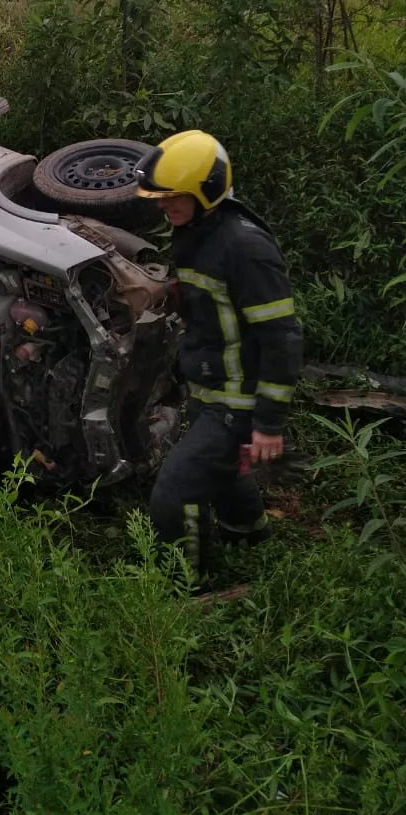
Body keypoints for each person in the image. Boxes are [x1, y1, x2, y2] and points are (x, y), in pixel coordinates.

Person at [134, 130, 303, 588]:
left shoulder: (245, 248)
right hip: (210, 391)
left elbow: (282, 338)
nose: (162, 207)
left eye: (171, 198)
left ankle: (190, 583)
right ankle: (249, 537)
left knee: (175, 492)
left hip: (237, 402)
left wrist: (268, 424)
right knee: (221, 471)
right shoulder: (196, 230)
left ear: (205, 192)